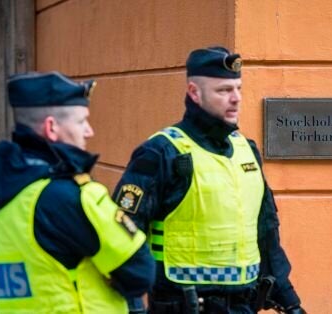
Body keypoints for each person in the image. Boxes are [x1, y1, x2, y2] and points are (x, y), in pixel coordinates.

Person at [112, 47, 305, 313]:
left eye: (238, 88)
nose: (236, 98)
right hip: (183, 305)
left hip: (243, 304)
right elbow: (121, 233)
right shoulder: (162, 152)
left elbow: (266, 230)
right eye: (224, 90)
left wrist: (289, 300)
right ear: (194, 92)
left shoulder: (245, 150)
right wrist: (132, 306)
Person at [0, 72, 155, 313]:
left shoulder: (0, 191)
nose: (89, 131)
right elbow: (140, 272)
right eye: (82, 122)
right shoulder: (70, 195)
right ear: (52, 127)